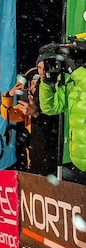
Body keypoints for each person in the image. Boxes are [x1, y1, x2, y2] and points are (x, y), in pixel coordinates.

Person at [38, 49, 86, 183]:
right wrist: (47, 82)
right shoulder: (72, 81)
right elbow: (52, 107)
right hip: (78, 162)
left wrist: (76, 71)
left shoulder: (79, 77)